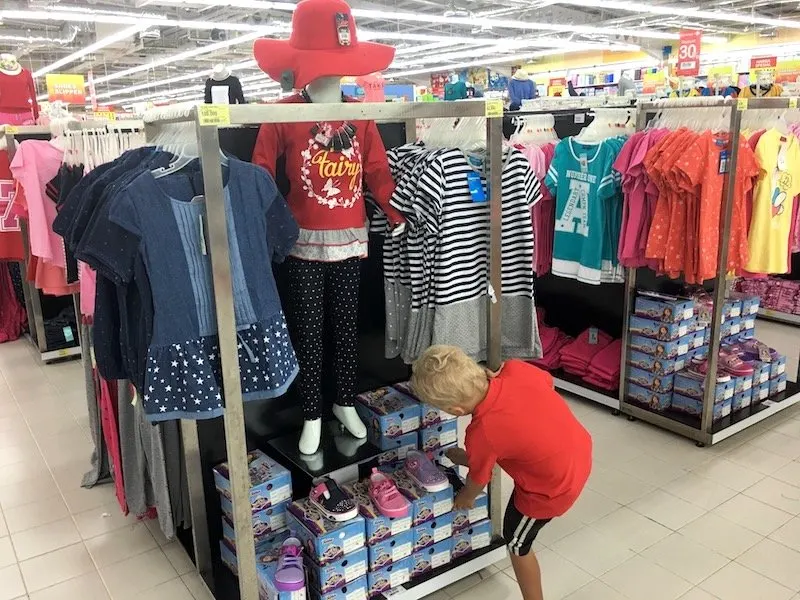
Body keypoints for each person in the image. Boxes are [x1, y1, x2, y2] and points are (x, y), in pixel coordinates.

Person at [410, 345, 592, 600]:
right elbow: (546, 383)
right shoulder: (515, 370)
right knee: (492, 450)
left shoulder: (482, 432)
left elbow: (481, 477)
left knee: (517, 542)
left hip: (550, 488)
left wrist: (467, 496)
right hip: (578, 450)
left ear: (456, 411)